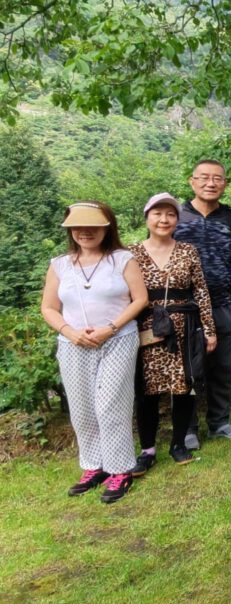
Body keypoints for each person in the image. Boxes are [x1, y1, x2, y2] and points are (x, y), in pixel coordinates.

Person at [41, 202, 148, 503]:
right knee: (83, 408)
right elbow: (48, 307)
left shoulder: (122, 259)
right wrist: (69, 332)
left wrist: (110, 328)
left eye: (93, 226)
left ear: (107, 228)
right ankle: (94, 465)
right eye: (77, 227)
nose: (85, 232)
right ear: (70, 230)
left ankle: (121, 469)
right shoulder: (60, 264)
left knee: (111, 404)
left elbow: (139, 299)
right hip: (73, 343)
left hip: (117, 339)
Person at [129, 194, 216, 474]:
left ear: (177, 220)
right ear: (147, 218)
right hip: (146, 328)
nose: (164, 220)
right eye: (157, 214)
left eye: (170, 215)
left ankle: (178, 443)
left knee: (183, 387)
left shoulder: (188, 250)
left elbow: (200, 291)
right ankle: (147, 450)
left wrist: (209, 330)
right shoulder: (131, 253)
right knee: (146, 391)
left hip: (185, 328)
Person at [175, 159, 231, 448]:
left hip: (225, 305)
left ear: (225, 184)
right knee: (189, 370)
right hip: (186, 308)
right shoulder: (176, 217)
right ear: (191, 181)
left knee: (224, 368)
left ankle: (219, 422)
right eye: (204, 178)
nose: (210, 183)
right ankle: (189, 427)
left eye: (217, 178)